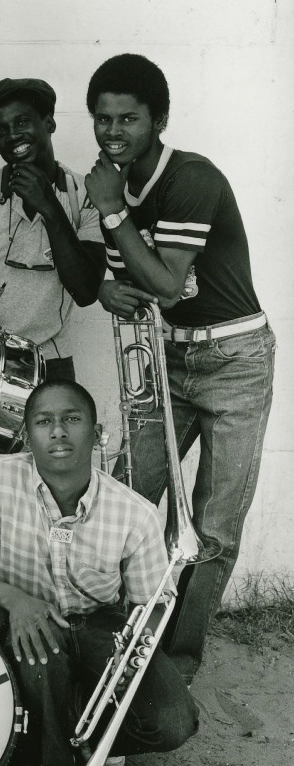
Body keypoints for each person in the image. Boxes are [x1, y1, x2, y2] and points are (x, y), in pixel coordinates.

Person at [84, 53, 275, 685]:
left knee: (211, 528)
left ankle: (172, 669)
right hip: (169, 354)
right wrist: (110, 286)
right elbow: (134, 280)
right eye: (102, 118)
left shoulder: (192, 177)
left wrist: (111, 212)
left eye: (128, 119)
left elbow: (166, 282)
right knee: (123, 500)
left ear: (158, 120)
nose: (113, 131)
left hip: (234, 360)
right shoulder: (114, 180)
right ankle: (110, 648)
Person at [0, 379, 198, 766]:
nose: (58, 432)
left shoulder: (134, 512)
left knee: (173, 722)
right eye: (44, 422)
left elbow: (150, 604)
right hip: (25, 619)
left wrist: (130, 664)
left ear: (96, 435)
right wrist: (14, 600)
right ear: (27, 435)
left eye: (72, 420)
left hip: (101, 623)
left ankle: (89, 736)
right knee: (42, 655)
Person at [0, 78, 105, 377]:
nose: (12, 136)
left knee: (56, 425)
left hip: (51, 358)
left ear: (49, 123)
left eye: (22, 122)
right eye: (0, 131)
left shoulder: (85, 196)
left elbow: (86, 291)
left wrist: (50, 206)